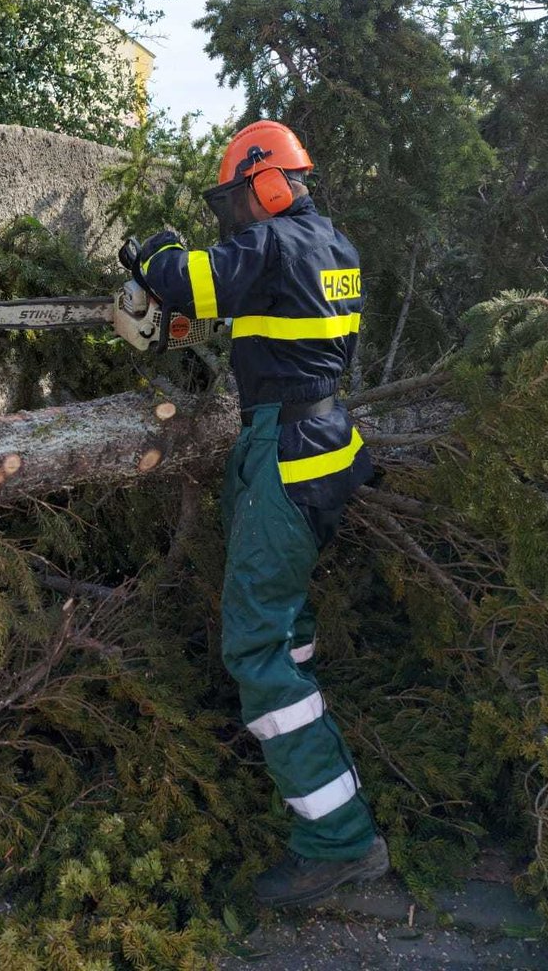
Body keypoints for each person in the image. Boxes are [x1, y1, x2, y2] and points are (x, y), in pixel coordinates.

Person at [137, 119, 389, 908]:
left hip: (289, 453)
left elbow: (194, 282)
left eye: (240, 199)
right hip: (317, 441)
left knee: (254, 645)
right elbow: (260, 313)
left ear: (268, 183)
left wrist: (152, 259)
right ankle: (302, 758)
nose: (237, 216)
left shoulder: (277, 242)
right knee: (287, 634)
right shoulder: (332, 245)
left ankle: (338, 842)